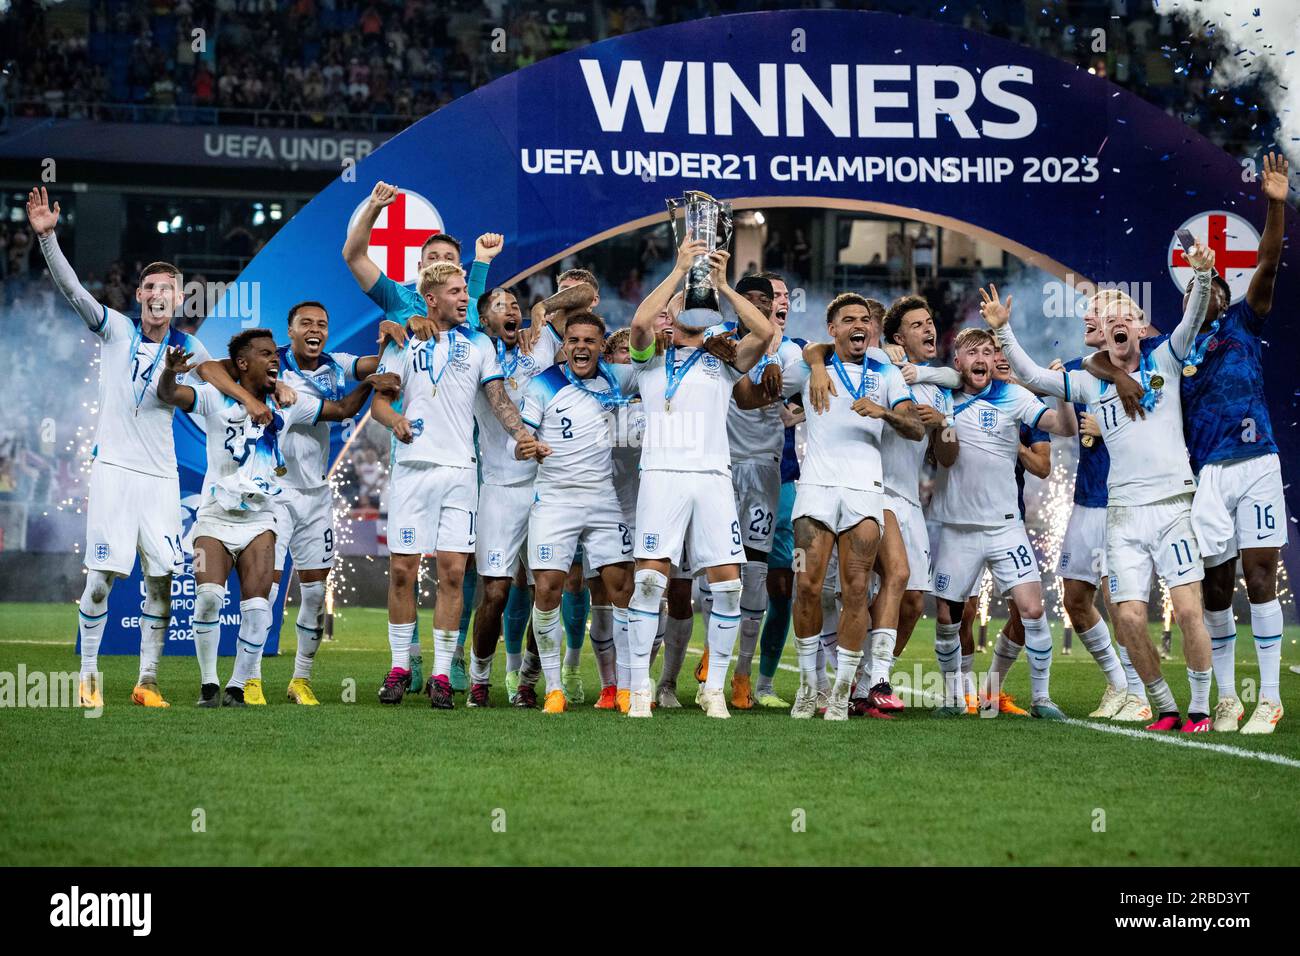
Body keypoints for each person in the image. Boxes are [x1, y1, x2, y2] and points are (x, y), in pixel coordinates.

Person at [27, 186, 269, 710]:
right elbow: (74, 293)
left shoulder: (190, 348)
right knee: (100, 582)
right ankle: (89, 675)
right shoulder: (116, 331)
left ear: (180, 299)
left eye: (167, 289)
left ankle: (148, 681)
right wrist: (48, 238)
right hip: (114, 469)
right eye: (150, 287)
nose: (158, 295)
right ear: (139, 296)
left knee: (161, 581)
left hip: (160, 479)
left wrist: (254, 398)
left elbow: (222, 376)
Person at [987, 238, 1219, 732]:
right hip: (1123, 512)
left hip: (1174, 504)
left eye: (1119, 317)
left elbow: (1195, 315)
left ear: (1138, 325)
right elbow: (1029, 373)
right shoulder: (1088, 381)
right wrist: (1003, 332)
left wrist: (1201, 275)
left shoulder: (1168, 358)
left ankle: (1200, 707)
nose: (1110, 323)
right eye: (1099, 317)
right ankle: (1163, 706)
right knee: (1129, 617)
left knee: (1186, 608)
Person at [155, 331, 381, 706]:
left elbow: (341, 411)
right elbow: (170, 395)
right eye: (264, 354)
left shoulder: (287, 403)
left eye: (273, 354)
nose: (273, 360)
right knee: (208, 598)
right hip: (213, 516)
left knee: (260, 605)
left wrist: (370, 384)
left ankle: (237, 685)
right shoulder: (214, 397)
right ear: (242, 364)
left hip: (262, 517)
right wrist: (169, 374)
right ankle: (209, 683)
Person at [369, 261, 530, 709]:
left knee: (453, 574)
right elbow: (378, 405)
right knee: (402, 572)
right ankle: (400, 666)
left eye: (465, 290)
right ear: (432, 298)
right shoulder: (404, 338)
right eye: (456, 291)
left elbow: (497, 399)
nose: (465, 298)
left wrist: (521, 434)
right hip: (413, 470)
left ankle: (442, 673)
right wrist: (396, 419)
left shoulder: (479, 344)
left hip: (460, 472)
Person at [625, 238, 775, 718]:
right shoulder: (647, 360)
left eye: (697, 298)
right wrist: (677, 271)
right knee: (649, 582)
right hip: (662, 476)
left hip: (713, 477)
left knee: (728, 586)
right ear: (668, 316)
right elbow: (638, 324)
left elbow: (765, 332)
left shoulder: (723, 363)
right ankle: (640, 690)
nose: (692, 302)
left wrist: (723, 285)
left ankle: (713, 689)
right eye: (682, 302)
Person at [782, 294, 923, 720]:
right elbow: (756, 392)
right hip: (815, 490)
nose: (859, 325)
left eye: (865, 320)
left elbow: (915, 427)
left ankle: (843, 691)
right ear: (832, 329)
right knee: (805, 585)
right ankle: (809, 687)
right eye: (848, 320)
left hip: (865, 490)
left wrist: (883, 412)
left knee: (856, 589)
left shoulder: (886, 372)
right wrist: (814, 365)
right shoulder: (808, 366)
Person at [243, 301, 391, 705]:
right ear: (289, 331)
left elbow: (367, 367)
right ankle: (250, 679)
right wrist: (272, 385)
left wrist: (391, 352)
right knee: (266, 592)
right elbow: (229, 370)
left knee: (313, 593)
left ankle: (300, 680)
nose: (315, 329)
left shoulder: (334, 363)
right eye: (305, 323)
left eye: (322, 324)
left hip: (315, 496)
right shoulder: (272, 366)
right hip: (273, 495)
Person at [927, 326, 1076, 720]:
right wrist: (941, 420)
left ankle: (1042, 698)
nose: (981, 358)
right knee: (947, 617)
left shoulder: (1014, 396)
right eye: (971, 352)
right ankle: (951, 697)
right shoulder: (942, 396)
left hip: (1006, 527)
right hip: (957, 527)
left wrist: (1062, 394)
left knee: (1032, 609)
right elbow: (941, 456)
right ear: (957, 361)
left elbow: (1064, 428)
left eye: (988, 352)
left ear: (996, 360)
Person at [516, 313, 636, 713]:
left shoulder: (617, 379)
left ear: (602, 345)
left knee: (623, 588)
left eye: (590, 340)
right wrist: (527, 446)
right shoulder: (543, 383)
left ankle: (622, 687)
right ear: (564, 344)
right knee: (548, 588)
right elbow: (523, 438)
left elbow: (654, 359)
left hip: (603, 498)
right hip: (556, 498)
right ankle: (553, 688)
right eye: (574, 340)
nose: (581, 347)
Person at [467, 286, 560, 708]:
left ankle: (527, 681)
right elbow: (499, 399)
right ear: (483, 321)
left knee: (548, 590)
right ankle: (479, 679)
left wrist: (544, 308)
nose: (512, 311)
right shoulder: (475, 355)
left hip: (547, 487)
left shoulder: (540, 346)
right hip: (500, 490)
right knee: (496, 593)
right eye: (500, 307)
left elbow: (586, 294)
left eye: (516, 305)